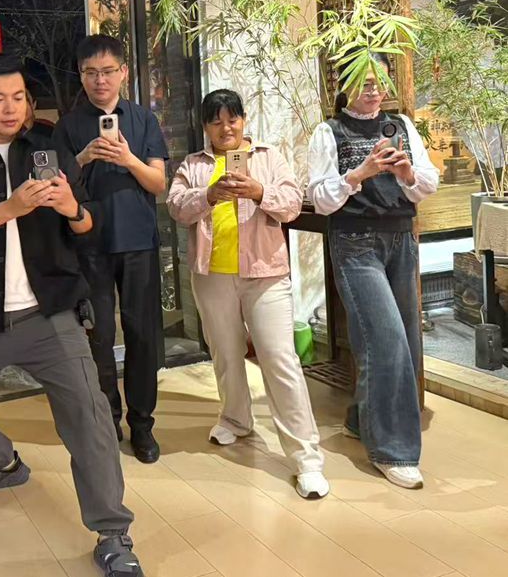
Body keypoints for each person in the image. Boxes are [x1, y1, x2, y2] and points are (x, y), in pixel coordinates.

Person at [0, 54, 144, 577]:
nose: (10, 107)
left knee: (89, 417)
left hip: (51, 316)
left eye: (19, 97)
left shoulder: (49, 153)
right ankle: (2, 462)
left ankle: (113, 532)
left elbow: (87, 225)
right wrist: (11, 208)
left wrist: (71, 207)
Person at [167, 89, 330, 499]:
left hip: (265, 275)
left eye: (232, 119)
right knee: (225, 352)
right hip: (212, 275)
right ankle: (236, 419)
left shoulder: (268, 158)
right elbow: (176, 207)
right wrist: (208, 194)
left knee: (279, 358)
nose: (226, 128)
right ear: (205, 127)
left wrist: (258, 191)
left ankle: (306, 458)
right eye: (216, 121)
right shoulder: (194, 164)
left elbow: (291, 205)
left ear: (243, 120)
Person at [307, 53, 439, 490]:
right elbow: (320, 199)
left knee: (404, 340)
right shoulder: (329, 131)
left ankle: (360, 419)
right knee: (387, 340)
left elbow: (427, 184)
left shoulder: (401, 125)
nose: (374, 89)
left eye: (380, 80)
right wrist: (357, 174)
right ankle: (393, 451)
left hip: (401, 239)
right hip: (354, 243)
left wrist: (405, 173)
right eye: (364, 82)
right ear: (343, 84)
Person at [53, 35, 168, 463]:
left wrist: (128, 159)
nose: (99, 80)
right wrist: (82, 158)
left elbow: (159, 183)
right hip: (89, 246)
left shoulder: (143, 120)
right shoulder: (67, 127)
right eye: (90, 73)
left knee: (142, 336)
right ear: (81, 75)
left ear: (123, 72)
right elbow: (56, 185)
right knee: (98, 339)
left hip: (138, 242)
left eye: (107, 71)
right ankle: (108, 422)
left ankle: (143, 425)